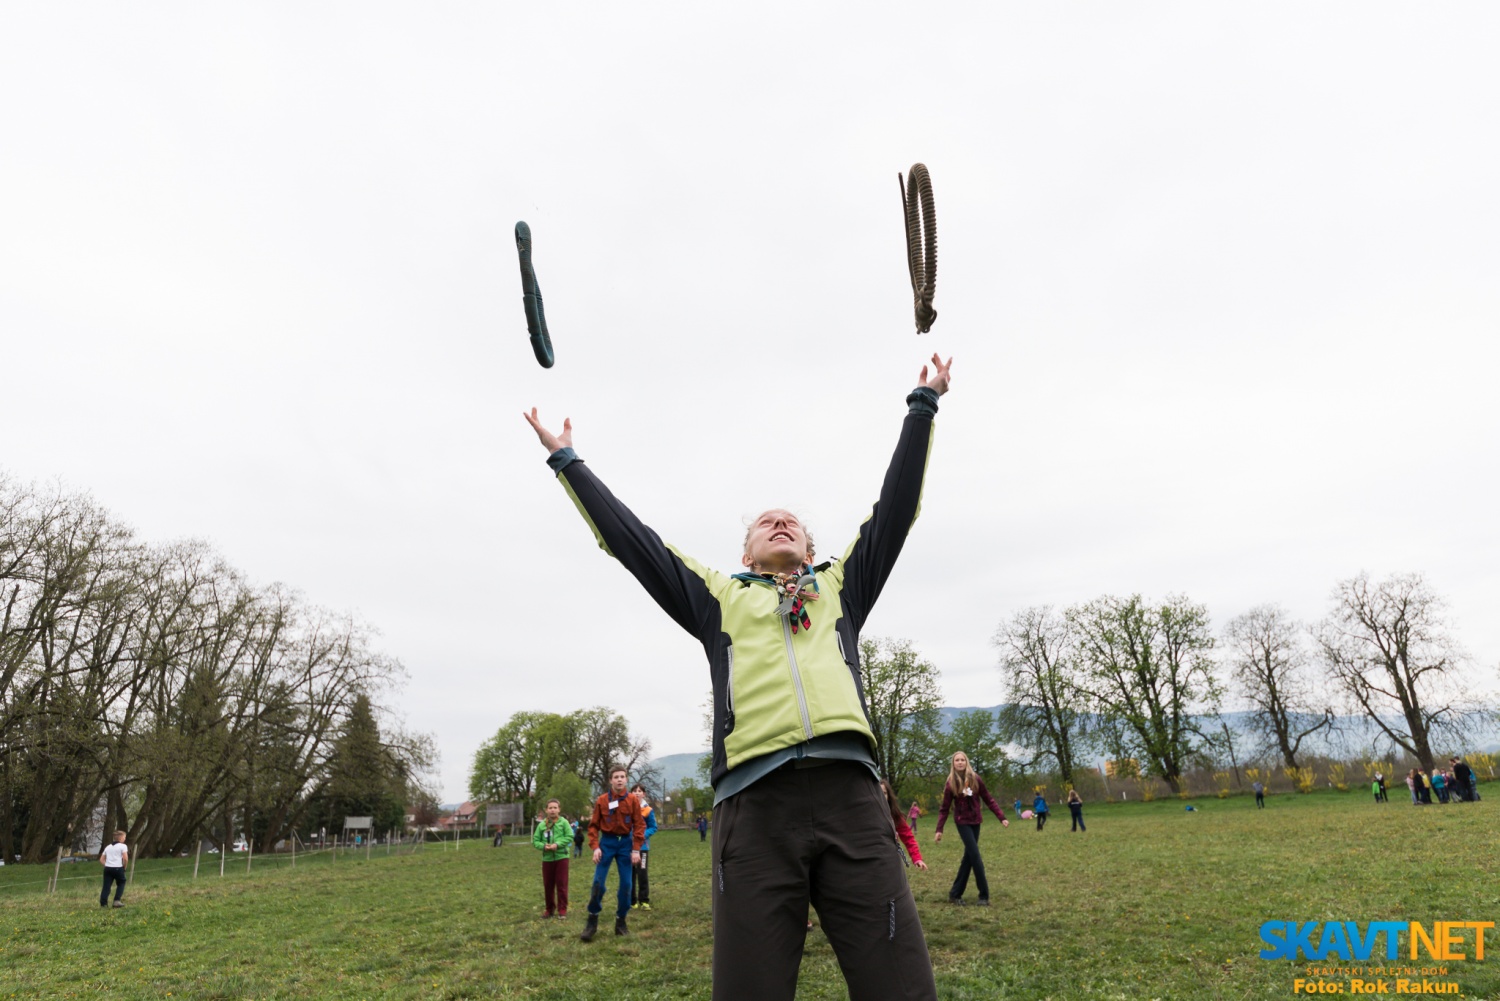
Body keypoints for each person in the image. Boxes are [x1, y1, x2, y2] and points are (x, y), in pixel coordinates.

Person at [525, 355, 953, 1001]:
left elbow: (895, 509)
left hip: (851, 800)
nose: (779, 521)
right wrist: (568, 462)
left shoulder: (843, 586)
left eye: (793, 522)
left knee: (900, 983)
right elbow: (636, 543)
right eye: (764, 521)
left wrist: (922, 405)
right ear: (746, 552)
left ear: (810, 548)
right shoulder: (717, 595)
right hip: (754, 811)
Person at [933, 750, 1008, 906]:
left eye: (962, 760)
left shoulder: (975, 779)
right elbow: (944, 808)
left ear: (966, 762)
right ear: (953, 764)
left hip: (976, 822)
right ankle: (984, 896)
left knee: (968, 858)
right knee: (975, 856)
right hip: (962, 822)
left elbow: (989, 799)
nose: (960, 762)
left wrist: (1001, 817)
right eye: (957, 760)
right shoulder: (950, 783)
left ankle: (955, 894)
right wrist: (939, 829)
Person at [582, 766, 646, 941]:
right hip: (607, 844)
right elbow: (593, 826)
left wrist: (635, 849)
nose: (619, 780)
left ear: (626, 780)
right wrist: (595, 847)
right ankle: (592, 920)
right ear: (610, 780)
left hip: (625, 844)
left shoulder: (633, 800)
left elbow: (639, 825)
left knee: (626, 885)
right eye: (616, 777)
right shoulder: (602, 800)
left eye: (622, 777)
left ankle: (621, 921)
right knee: (598, 883)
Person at [531, 798, 573, 919]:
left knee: (562, 883)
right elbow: (535, 841)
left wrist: (557, 844)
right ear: (546, 810)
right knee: (548, 885)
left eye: (555, 807)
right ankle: (549, 909)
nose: (553, 810)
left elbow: (570, 836)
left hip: (562, 857)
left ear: (559, 809)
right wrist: (544, 846)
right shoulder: (542, 825)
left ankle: (562, 909)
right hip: (547, 859)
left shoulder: (564, 822)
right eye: (550, 808)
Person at [882, 780, 927, 872]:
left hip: (891, 860)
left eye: (884, 793)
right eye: (878, 793)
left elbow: (908, 838)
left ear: (889, 796)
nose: (881, 796)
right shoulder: (866, 815)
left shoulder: (894, 816)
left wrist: (917, 858)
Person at [630, 783, 658, 911]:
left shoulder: (648, 810)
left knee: (642, 874)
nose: (637, 793)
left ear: (643, 794)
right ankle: (632, 901)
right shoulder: (627, 808)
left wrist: (643, 835)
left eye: (639, 791)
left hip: (643, 848)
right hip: (628, 847)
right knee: (630, 874)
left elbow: (653, 827)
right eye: (634, 791)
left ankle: (644, 900)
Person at [98, 831, 128, 909]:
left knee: (106, 886)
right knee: (121, 882)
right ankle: (116, 901)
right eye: (124, 837)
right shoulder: (123, 846)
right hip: (118, 868)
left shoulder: (108, 847)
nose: (125, 839)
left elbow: (101, 859)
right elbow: (125, 858)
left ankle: (103, 904)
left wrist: (108, 864)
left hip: (108, 868)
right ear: (121, 838)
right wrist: (124, 866)